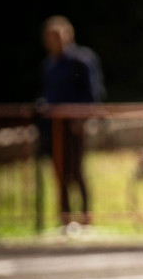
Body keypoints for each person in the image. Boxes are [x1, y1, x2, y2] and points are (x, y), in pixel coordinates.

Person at [37, 16, 104, 226]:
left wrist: (82, 118)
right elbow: (48, 93)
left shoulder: (81, 60)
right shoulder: (49, 64)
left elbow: (92, 92)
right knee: (59, 172)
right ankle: (65, 218)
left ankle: (85, 216)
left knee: (76, 171)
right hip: (54, 128)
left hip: (74, 126)